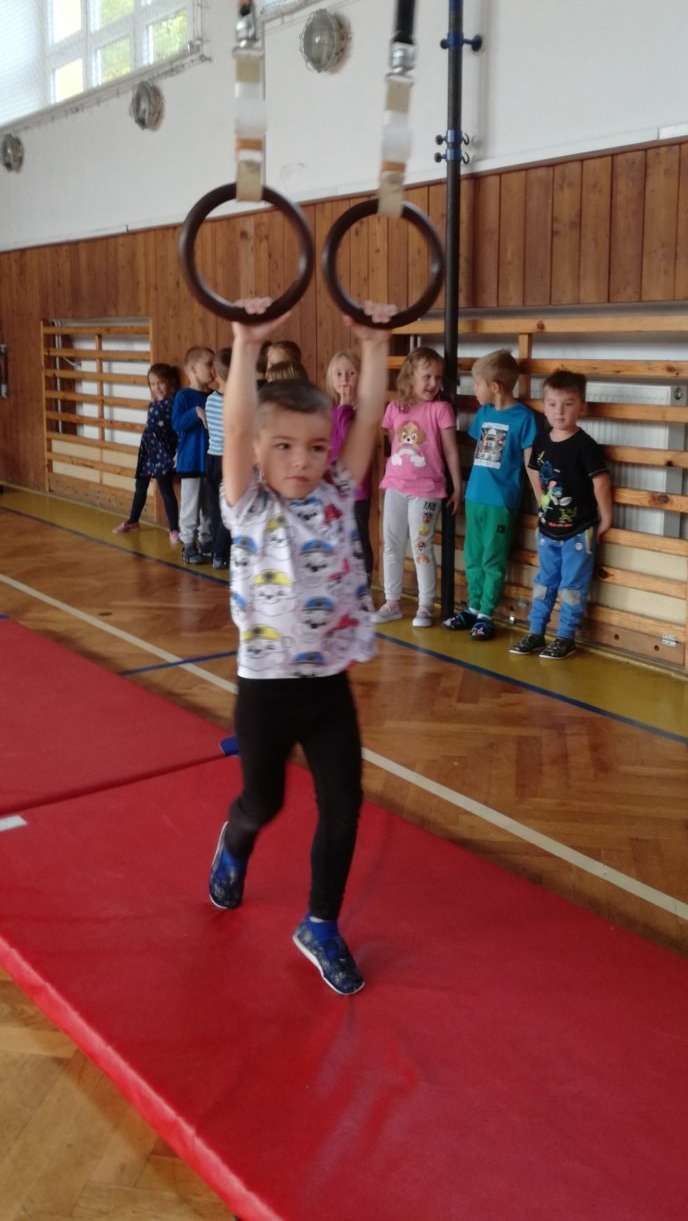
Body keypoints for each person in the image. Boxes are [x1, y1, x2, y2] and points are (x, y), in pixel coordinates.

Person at [207, 295, 394, 996]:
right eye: (283, 446)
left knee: (344, 807)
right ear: (258, 452)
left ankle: (320, 923)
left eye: (316, 446)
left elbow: (368, 418)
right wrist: (246, 342)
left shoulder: (338, 492)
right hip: (266, 692)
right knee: (264, 804)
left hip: (328, 690)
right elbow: (235, 423)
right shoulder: (248, 505)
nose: (303, 460)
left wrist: (375, 346)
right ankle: (235, 841)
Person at [511, 368, 612, 660]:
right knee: (544, 582)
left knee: (572, 585)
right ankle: (536, 632)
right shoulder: (541, 440)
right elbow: (534, 471)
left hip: (578, 532)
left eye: (568, 404)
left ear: (581, 407)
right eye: (553, 404)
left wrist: (606, 519)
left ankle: (566, 636)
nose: (559, 411)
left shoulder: (585, 446)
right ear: (544, 407)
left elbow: (601, 483)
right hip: (547, 530)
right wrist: (541, 502)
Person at [442, 350, 537, 641]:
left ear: (495, 387)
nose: (474, 390)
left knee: (492, 559)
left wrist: (542, 499)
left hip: (501, 503)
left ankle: (486, 614)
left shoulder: (524, 418)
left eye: (477, 384)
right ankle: (472, 607)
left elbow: (530, 464)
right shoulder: (483, 413)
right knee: (472, 556)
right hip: (475, 497)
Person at [374, 346, 462, 628]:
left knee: (421, 545)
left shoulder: (440, 409)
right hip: (396, 487)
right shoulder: (395, 408)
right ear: (410, 376)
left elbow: (450, 451)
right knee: (392, 544)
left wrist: (457, 487)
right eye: (427, 377)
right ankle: (392, 601)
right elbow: (394, 442)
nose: (433, 383)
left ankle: (425, 605)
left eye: (438, 377)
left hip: (427, 491)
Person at [112, 364, 180, 542]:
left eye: (161, 383)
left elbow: (178, 430)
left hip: (163, 453)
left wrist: (177, 452)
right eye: (152, 384)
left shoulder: (174, 403)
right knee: (140, 486)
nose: (156, 387)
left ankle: (174, 528)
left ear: (170, 382)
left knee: (165, 489)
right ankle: (133, 520)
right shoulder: (153, 404)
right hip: (148, 451)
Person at [327, 348, 374, 584]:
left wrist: (345, 407)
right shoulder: (331, 412)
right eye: (338, 374)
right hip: (333, 489)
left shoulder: (361, 412)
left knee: (358, 538)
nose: (344, 379)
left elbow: (350, 441)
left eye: (351, 373)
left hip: (356, 490)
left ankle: (364, 581)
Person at [173, 345, 215, 563]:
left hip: (209, 461)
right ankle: (188, 544)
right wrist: (195, 413)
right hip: (190, 461)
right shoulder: (183, 396)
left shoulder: (214, 396)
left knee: (208, 506)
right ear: (193, 368)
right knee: (190, 505)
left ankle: (206, 540)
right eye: (209, 364)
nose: (213, 369)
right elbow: (177, 424)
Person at [203, 347, 231, 569]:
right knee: (228, 508)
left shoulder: (210, 400)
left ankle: (215, 549)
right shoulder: (236, 402)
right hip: (227, 460)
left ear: (215, 373)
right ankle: (220, 554)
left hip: (211, 457)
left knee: (215, 507)